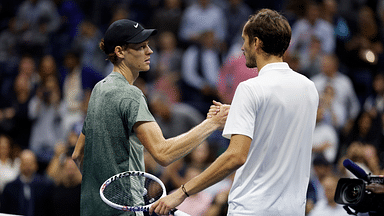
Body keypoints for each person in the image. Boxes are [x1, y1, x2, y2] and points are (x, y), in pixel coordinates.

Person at [150, 8, 319, 216]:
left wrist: (183, 192)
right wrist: (242, 112)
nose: (242, 47)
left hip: (252, 210)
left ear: (256, 43)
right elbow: (279, 124)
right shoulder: (309, 88)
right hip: (293, 210)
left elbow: (235, 157)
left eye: (245, 40)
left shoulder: (250, 89)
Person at [71, 19, 228, 216]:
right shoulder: (131, 95)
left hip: (91, 208)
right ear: (120, 52)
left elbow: (78, 154)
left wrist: (102, 190)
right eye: (141, 47)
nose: (150, 51)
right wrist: (212, 123)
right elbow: (163, 154)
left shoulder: (99, 89)